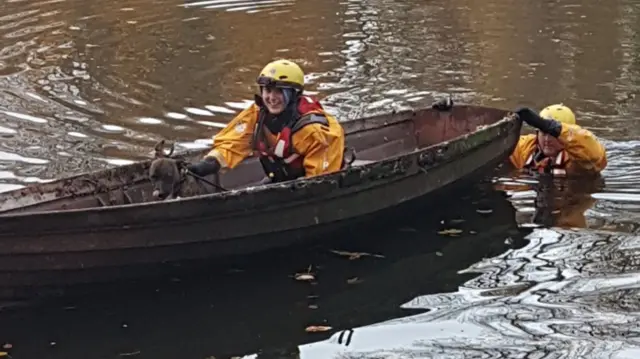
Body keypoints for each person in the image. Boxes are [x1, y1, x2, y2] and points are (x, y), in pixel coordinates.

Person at [186, 59, 346, 183]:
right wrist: (207, 165)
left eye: (279, 92)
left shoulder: (313, 130)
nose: (272, 98)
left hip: (305, 186)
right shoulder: (256, 114)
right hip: (279, 180)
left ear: (293, 95)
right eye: (268, 91)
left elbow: (320, 181)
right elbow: (232, 145)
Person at [509, 104, 607, 176]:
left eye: (553, 134)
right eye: (543, 132)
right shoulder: (526, 148)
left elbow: (594, 153)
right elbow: (500, 146)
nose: (547, 139)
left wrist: (555, 128)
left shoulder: (580, 159)